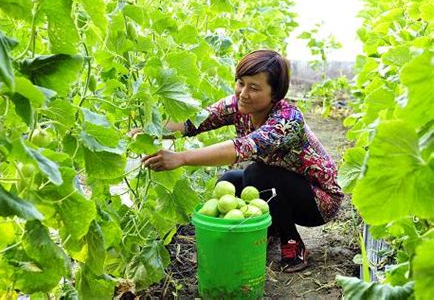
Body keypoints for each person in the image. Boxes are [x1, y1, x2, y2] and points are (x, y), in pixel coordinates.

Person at [141, 50, 345, 273]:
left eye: (254, 88)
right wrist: (148, 131)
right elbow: (194, 122)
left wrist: (180, 158)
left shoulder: (287, 120)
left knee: (257, 175)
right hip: (283, 185)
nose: (243, 93)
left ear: (275, 94)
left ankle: (292, 244)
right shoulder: (238, 106)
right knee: (230, 181)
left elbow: (240, 148)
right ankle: (270, 230)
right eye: (241, 83)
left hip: (318, 201)